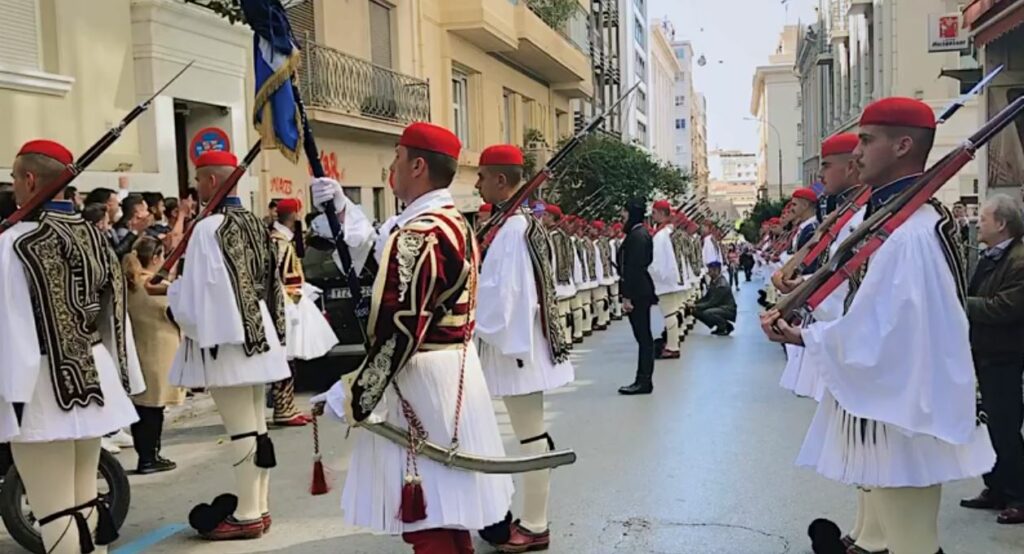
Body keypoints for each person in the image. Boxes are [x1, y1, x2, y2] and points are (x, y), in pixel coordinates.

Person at [761, 97, 995, 554]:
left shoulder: (910, 233)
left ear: (903, 144)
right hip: (891, 403)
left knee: (913, 544)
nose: (858, 153)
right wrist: (807, 318)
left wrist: (807, 336)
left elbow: (893, 332)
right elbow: (863, 299)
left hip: (903, 407)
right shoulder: (890, 220)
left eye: (867, 141)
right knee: (896, 534)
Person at [314, 123, 513, 554]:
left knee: (429, 517)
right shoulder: (447, 223)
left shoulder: (421, 233)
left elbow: (398, 330)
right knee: (447, 505)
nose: (391, 167)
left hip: (422, 377)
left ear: (417, 166)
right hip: (445, 369)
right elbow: (386, 268)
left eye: (397, 158)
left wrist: (354, 392)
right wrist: (344, 210)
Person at [0, 140, 145, 553]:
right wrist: (123, 375)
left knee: (54, 508)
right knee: (82, 499)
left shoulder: (17, 244)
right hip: (94, 373)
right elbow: (114, 317)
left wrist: (11, 398)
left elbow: (9, 328)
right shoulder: (96, 237)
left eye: (14, 178)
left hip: (40, 385)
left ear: (30, 180)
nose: (13, 185)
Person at [168, 150, 290, 540]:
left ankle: (249, 513)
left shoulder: (209, 228)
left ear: (211, 182)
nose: (197, 187)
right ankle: (260, 506)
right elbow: (272, 282)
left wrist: (171, 297)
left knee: (242, 429)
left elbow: (198, 297)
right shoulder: (255, 222)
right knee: (255, 425)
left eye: (200, 180)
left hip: (229, 337)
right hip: (260, 331)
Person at [472, 144, 573, 552]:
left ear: (501, 180)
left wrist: (465, 302)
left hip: (518, 348)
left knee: (531, 439)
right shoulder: (514, 223)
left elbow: (504, 297)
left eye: (481, 175)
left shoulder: (514, 230)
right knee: (531, 436)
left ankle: (534, 525)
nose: (476, 182)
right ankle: (530, 518)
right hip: (521, 345)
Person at [959, 194, 1024, 525]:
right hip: (986, 350)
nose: (977, 223)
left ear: (1001, 224)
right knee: (989, 426)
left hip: (1005, 354)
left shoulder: (1019, 261)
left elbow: (1004, 307)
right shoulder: (992, 257)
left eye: (983, 219)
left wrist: (958, 302)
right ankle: (995, 486)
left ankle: (1018, 495)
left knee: (1005, 426)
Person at [268, 197, 338, 426]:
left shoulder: (281, 239)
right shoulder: (278, 241)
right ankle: (282, 408)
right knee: (284, 357)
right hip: (285, 304)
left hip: (290, 300)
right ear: (295, 214)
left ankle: (287, 406)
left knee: (289, 359)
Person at [123, 236, 184, 474]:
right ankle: (150, 457)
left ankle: (146, 455)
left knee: (142, 408)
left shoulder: (130, 283)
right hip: (160, 351)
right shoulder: (156, 287)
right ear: (156, 258)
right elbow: (178, 313)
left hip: (138, 349)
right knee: (154, 410)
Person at [618, 199, 657, 395]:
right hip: (640, 289)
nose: (621, 215)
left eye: (624, 212)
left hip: (638, 292)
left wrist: (627, 296)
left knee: (644, 338)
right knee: (643, 337)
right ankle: (643, 379)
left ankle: (644, 380)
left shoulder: (637, 236)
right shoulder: (639, 234)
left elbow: (632, 268)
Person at [648, 200, 685, 359]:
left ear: (662, 214)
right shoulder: (668, 233)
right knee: (672, 313)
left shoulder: (661, 235)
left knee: (669, 314)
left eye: (654, 212)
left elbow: (656, 260)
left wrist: (651, 274)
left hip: (664, 280)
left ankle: (672, 346)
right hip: (670, 279)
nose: (652, 215)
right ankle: (672, 343)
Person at [542, 204, 577, 347]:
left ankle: (563, 340)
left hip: (557, 281)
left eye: (545, 215)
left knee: (561, 314)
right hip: (566, 280)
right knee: (566, 312)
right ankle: (567, 339)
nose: (542, 217)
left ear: (551, 217)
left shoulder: (552, 236)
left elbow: (552, 260)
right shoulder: (563, 235)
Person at [692, 261, 736, 336]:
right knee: (696, 311)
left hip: (728, 309)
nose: (708, 272)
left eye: (710, 270)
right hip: (721, 307)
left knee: (707, 313)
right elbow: (707, 297)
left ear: (716, 270)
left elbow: (712, 302)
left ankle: (724, 326)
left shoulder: (721, 285)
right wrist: (695, 303)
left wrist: (695, 306)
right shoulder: (715, 281)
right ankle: (722, 326)